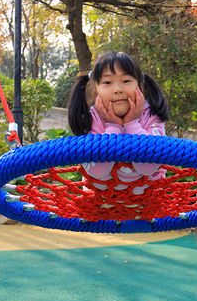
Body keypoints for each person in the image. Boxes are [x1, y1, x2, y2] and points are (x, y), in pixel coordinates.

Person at [68, 51, 170, 195]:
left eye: (126, 81)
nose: (117, 90)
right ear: (95, 91)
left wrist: (132, 124)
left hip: (147, 200)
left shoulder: (152, 114)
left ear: (140, 86)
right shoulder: (91, 119)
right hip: (100, 201)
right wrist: (113, 127)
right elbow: (97, 171)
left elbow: (147, 168)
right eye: (107, 82)